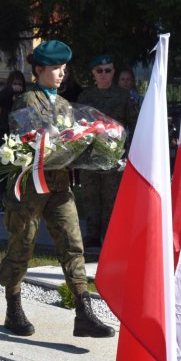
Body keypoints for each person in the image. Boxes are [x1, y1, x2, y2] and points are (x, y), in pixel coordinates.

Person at [0, 39, 114, 339]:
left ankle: (84, 313)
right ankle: (13, 307)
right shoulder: (26, 101)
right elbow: (27, 139)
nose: (62, 74)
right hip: (31, 189)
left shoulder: (65, 105)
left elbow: (71, 144)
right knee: (22, 246)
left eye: (64, 68)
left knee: (73, 245)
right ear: (38, 70)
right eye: (55, 68)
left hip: (60, 186)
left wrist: (97, 146)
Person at [77, 54, 138, 249]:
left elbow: (134, 126)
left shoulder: (124, 97)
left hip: (114, 157)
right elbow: (78, 126)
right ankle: (92, 236)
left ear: (113, 72)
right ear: (93, 73)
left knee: (111, 198)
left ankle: (110, 237)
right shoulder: (86, 96)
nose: (104, 74)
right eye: (100, 71)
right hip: (90, 157)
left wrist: (128, 155)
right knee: (90, 196)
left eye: (108, 70)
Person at [0, 70, 26, 150]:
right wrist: (11, 89)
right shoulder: (6, 93)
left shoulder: (24, 96)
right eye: (15, 83)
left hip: (19, 130)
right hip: (5, 129)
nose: (17, 86)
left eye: (19, 84)